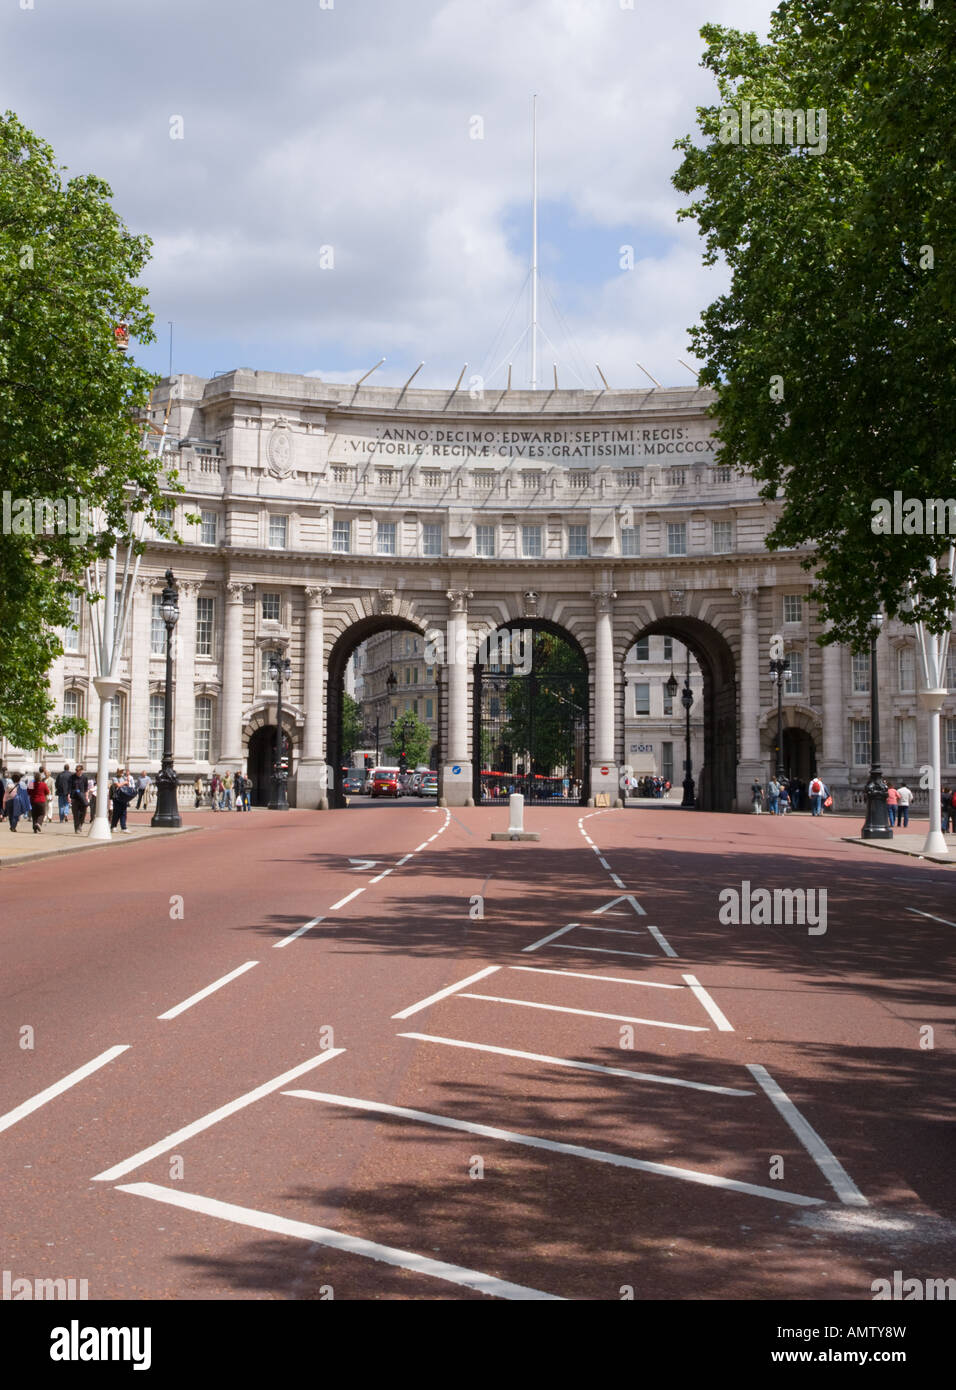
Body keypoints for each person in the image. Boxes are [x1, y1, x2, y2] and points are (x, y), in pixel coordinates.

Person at [70, 765, 90, 833]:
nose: (77, 772)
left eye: (79, 770)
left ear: (81, 770)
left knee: (83, 813)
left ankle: (80, 825)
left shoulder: (84, 778)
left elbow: (86, 788)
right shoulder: (72, 777)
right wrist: (68, 796)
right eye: (76, 770)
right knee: (76, 814)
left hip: (82, 798)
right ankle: (77, 828)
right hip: (75, 798)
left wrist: (86, 797)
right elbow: (69, 787)